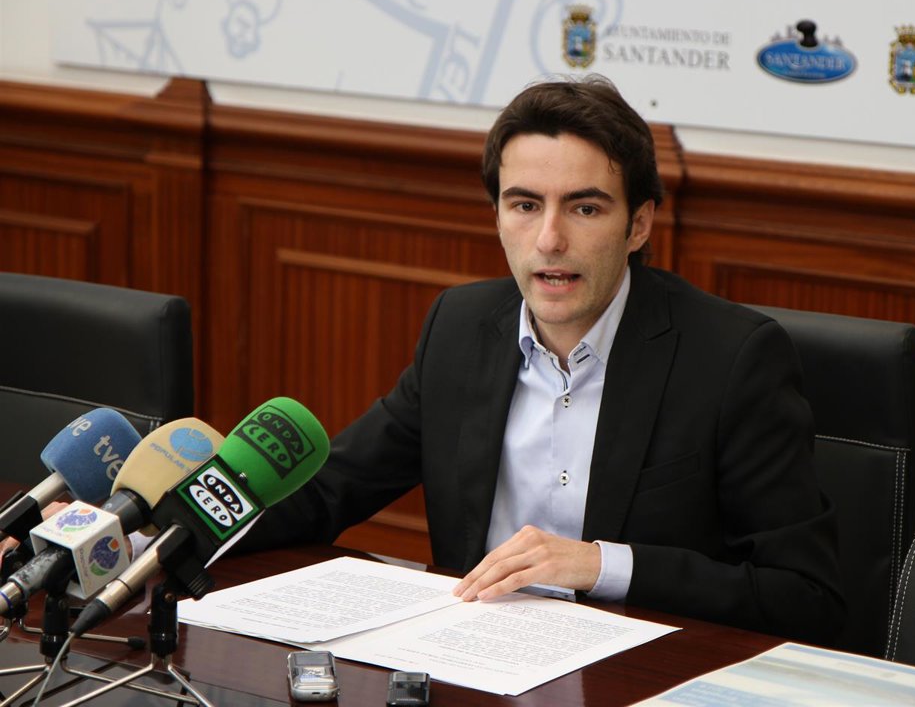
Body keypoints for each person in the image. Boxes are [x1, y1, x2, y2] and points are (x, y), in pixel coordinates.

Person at [241, 76, 844, 642]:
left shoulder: (731, 358)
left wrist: (600, 565)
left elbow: (805, 597)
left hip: (640, 674)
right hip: (474, 657)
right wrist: (195, 512)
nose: (550, 240)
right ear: (498, 216)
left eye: (585, 209)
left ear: (638, 225)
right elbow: (330, 491)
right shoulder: (460, 329)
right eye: (526, 206)